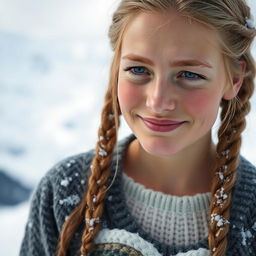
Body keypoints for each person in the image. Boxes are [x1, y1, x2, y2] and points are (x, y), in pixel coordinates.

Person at [20, 0, 256, 255]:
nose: (158, 101)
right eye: (138, 69)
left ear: (233, 80)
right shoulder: (64, 191)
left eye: (189, 74)